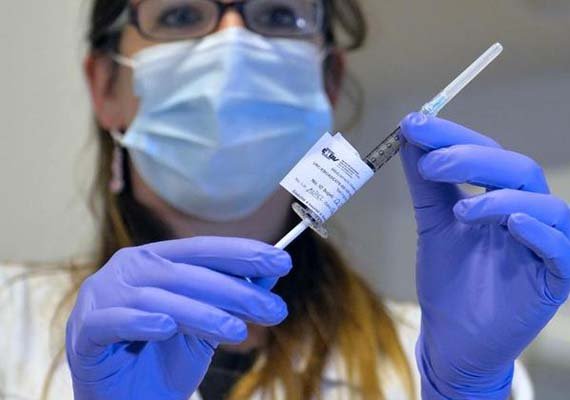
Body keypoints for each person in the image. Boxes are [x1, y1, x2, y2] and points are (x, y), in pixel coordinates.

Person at [1, 0, 569, 399]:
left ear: (328, 82)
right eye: (180, 15)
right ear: (105, 86)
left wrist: (464, 391)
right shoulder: (9, 325)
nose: (233, 44)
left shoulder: (427, 354)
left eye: (276, 14)